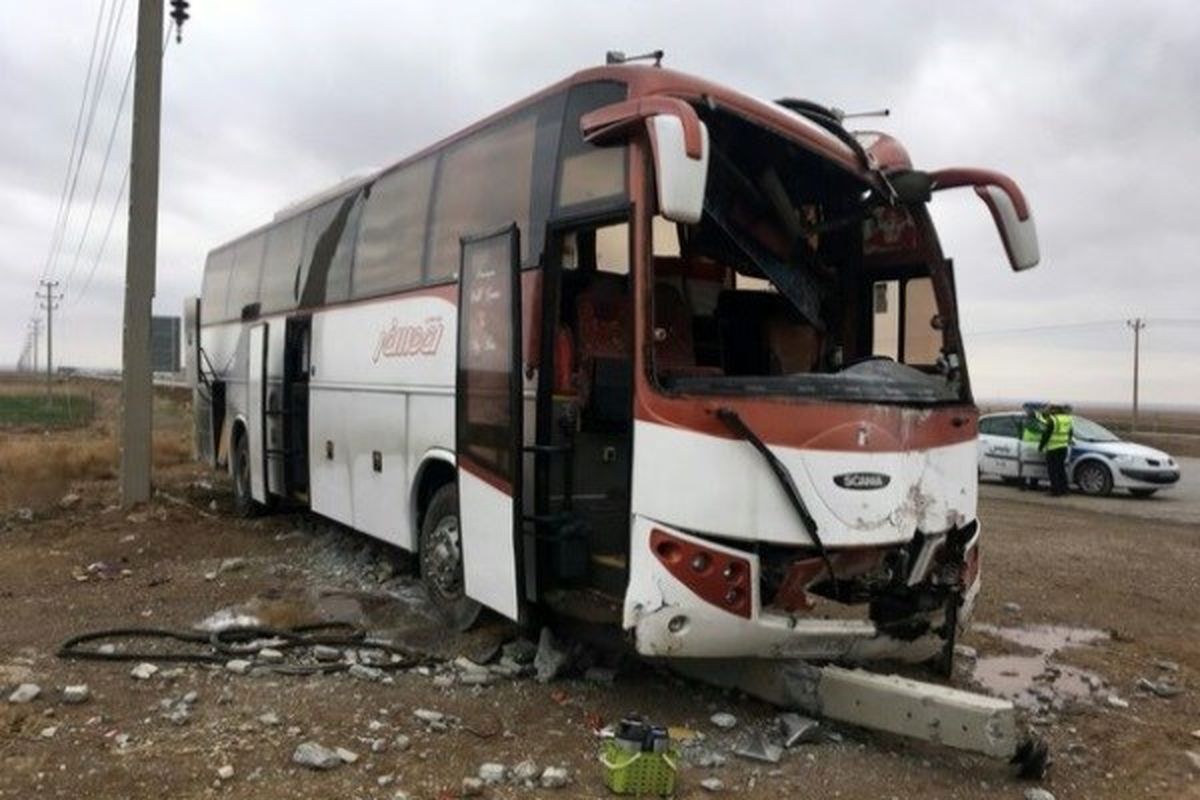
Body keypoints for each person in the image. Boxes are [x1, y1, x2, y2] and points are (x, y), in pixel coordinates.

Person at [1038, 404, 1074, 496]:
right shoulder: (1068, 419)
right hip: (1063, 447)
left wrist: (1041, 446)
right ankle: (1065, 490)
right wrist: (1067, 441)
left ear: (1054, 411)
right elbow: (1070, 432)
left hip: (1053, 448)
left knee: (1052, 471)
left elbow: (1046, 435)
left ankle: (1055, 491)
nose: (1049, 412)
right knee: (1061, 469)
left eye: (1050, 410)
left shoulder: (1053, 420)